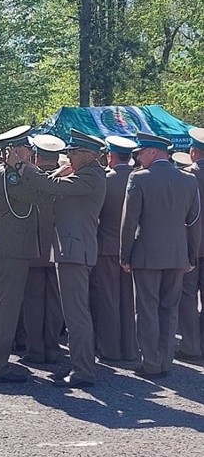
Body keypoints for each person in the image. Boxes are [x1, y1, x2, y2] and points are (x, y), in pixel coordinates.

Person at [11, 129, 107, 388]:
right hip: (71, 250)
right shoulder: (85, 174)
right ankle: (81, 367)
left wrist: (21, 165)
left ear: (88, 155)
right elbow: (53, 185)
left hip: (74, 251)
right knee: (74, 313)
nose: (69, 158)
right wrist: (55, 172)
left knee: (77, 315)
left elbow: (52, 187)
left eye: (73, 154)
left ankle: (83, 371)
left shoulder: (92, 177)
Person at [121, 132, 200, 378]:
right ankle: (165, 361)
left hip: (146, 255)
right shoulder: (188, 180)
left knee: (146, 309)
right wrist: (190, 254)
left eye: (140, 153)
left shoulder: (139, 179)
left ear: (153, 152)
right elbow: (194, 221)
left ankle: (151, 363)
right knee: (169, 308)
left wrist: (125, 255)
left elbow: (129, 221)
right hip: (177, 255)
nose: (137, 158)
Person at [0, 125, 40, 383]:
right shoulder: (10, 176)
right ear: (15, 150)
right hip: (12, 248)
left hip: (0, 245)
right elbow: (37, 194)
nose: (30, 153)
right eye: (26, 149)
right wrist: (32, 170)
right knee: (6, 308)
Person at [19, 134, 65, 365]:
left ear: (36, 155)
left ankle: (35, 350)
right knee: (56, 303)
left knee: (33, 302)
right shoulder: (68, 179)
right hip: (59, 250)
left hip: (34, 248)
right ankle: (53, 347)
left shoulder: (29, 179)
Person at [93, 135, 137, 363]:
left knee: (108, 300)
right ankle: (130, 348)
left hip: (107, 247)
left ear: (110, 156)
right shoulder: (138, 177)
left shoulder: (105, 180)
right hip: (134, 249)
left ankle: (110, 349)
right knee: (129, 301)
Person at [176, 127, 204, 362]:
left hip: (189, 245)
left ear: (193, 152)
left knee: (187, 296)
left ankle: (191, 346)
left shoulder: (186, 177)